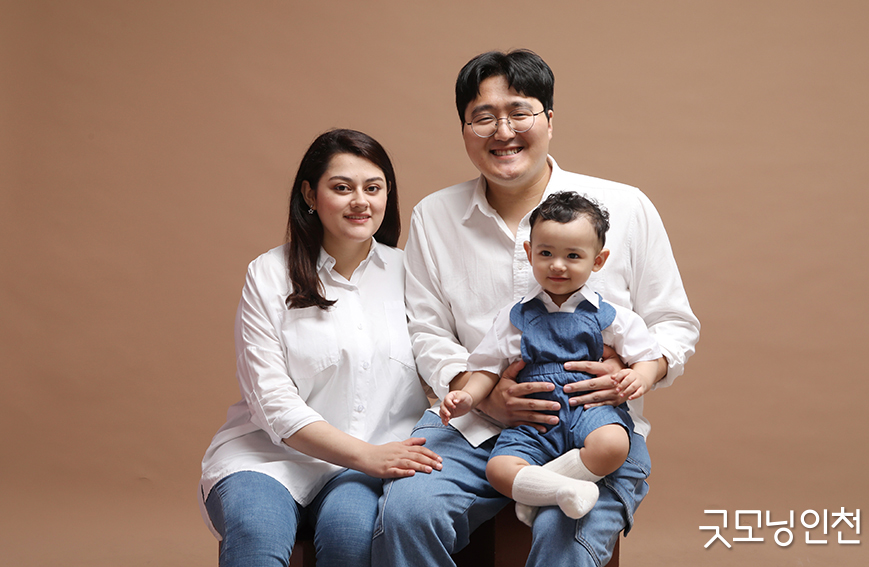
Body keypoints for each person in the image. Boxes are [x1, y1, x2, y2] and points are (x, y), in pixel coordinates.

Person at [371, 50, 700, 567]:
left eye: (519, 112)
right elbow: (427, 331)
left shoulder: (626, 207)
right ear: (464, 129)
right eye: (483, 117)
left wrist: (639, 371)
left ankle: (555, 484)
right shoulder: (434, 216)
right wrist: (480, 394)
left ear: (549, 119)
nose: (503, 131)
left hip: (592, 424)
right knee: (408, 512)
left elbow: (673, 323)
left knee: (565, 533)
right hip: (474, 429)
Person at [199, 128, 441, 567]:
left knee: (350, 534)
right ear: (310, 194)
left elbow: (442, 357)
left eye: (373, 188)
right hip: (270, 457)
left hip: (365, 467)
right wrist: (368, 455)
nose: (360, 201)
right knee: (256, 530)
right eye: (342, 188)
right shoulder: (269, 273)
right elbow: (272, 401)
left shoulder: (412, 273)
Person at [441, 191, 662, 527]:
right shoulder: (514, 317)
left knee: (614, 445)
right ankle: (562, 489)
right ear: (530, 253)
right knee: (498, 469)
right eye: (546, 253)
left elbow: (647, 356)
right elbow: (487, 367)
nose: (557, 265)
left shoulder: (612, 316)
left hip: (589, 411)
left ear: (598, 261)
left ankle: (537, 490)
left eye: (573, 255)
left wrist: (640, 377)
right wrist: (468, 397)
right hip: (533, 421)